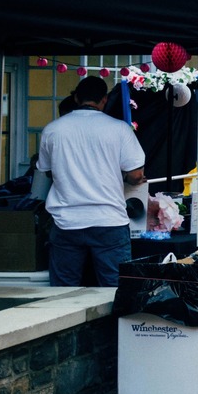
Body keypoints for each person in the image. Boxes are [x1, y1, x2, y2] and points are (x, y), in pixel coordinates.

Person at [37, 76, 146, 288]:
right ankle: (112, 323)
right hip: (109, 221)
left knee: (63, 292)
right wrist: (120, 174)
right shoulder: (119, 129)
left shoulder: (53, 129)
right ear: (104, 100)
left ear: (76, 97)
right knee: (116, 289)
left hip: (66, 220)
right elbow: (135, 175)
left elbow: (46, 171)